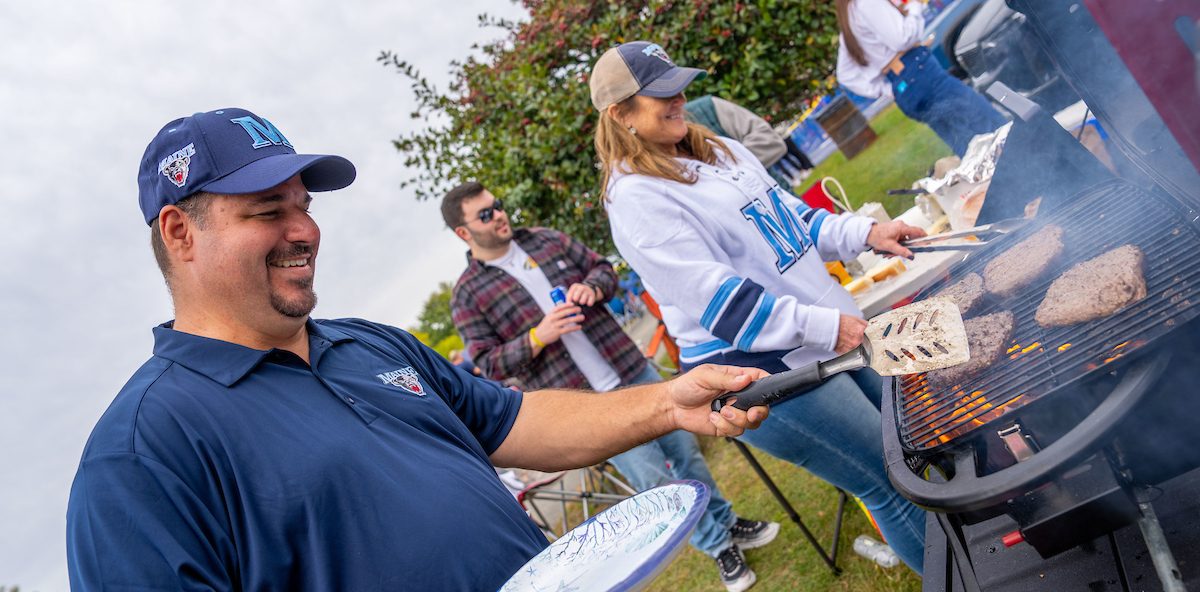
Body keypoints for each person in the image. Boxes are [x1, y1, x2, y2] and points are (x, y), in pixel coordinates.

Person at [65, 107, 770, 591]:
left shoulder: (367, 344)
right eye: (268, 211)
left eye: (304, 204)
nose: (304, 229)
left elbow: (516, 424)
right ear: (180, 234)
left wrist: (665, 403)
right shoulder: (139, 454)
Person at [589, 41, 930, 572]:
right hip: (757, 372)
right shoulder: (635, 199)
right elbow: (726, 306)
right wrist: (826, 326)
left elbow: (792, 219)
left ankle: (975, 550)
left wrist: (869, 232)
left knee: (915, 441)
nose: (679, 98)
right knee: (886, 480)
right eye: (660, 94)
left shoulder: (715, 149)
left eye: (678, 84)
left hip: (819, 332)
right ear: (619, 114)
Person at [443, 182, 779, 592]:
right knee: (655, 479)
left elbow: (604, 269)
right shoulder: (467, 295)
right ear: (463, 232)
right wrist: (537, 337)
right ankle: (716, 546)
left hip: (628, 367)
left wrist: (594, 287)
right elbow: (487, 362)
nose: (498, 215)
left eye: (497, 206)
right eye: (484, 214)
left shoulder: (545, 239)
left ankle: (726, 521)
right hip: (582, 405)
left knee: (687, 454)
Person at [835, 0, 1007, 157]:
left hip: (908, 84)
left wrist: (889, 88)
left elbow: (844, 74)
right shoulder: (866, 3)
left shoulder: (850, 12)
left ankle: (1003, 183)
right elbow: (902, 39)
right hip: (922, 76)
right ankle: (1019, 168)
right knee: (986, 121)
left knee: (966, 144)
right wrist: (916, 7)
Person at [683, 94, 795, 190]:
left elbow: (769, 140)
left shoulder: (707, 108)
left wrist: (724, 175)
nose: (678, 99)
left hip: (782, 202)